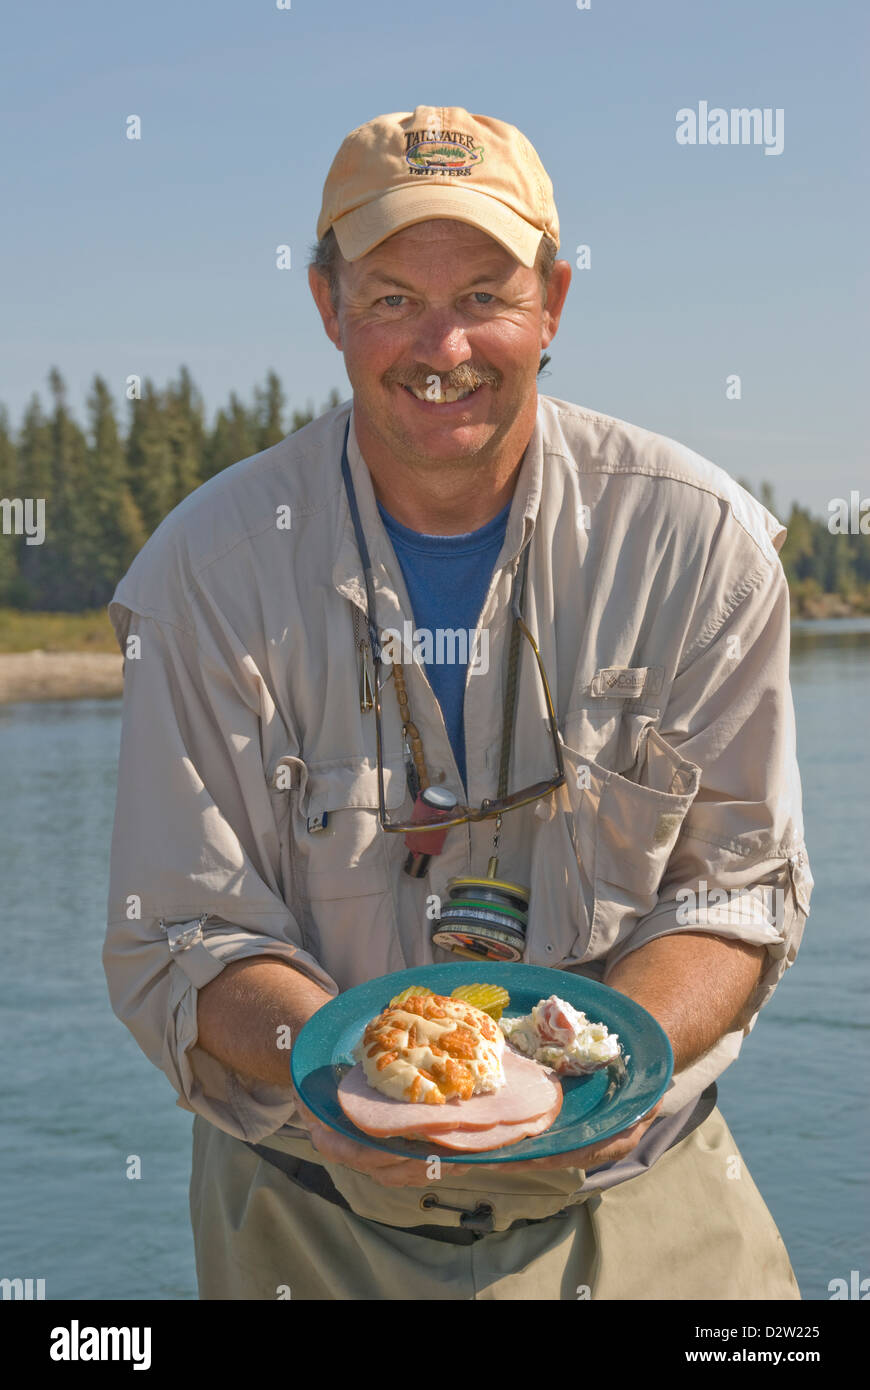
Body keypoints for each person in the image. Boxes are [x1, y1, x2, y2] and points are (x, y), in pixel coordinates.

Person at [103, 105, 813, 1300]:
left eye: (485, 292)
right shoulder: (202, 577)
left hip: (647, 1207)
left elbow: (736, 894)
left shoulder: (706, 547)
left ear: (555, 303)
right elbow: (179, 934)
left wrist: (588, 1068)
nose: (442, 345)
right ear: (328, 306)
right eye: (390, 298)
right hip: (304, 1222)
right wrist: (341, 1070)